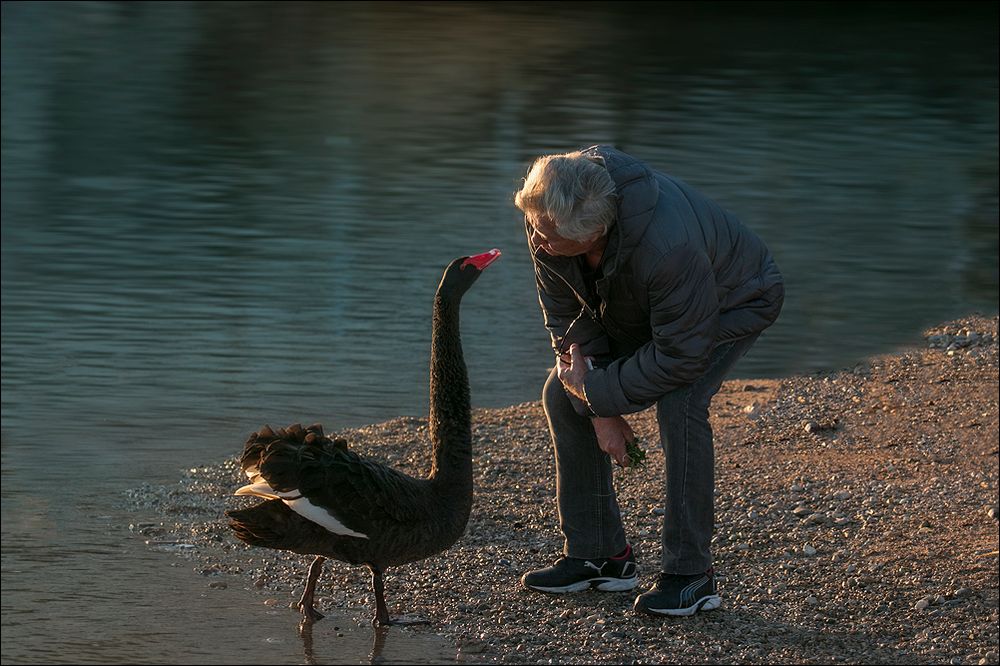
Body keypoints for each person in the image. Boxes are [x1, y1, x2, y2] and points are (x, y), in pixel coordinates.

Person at [514, 145, 784, 617]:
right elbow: (567, 316)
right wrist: (596, 402)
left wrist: (597, 395)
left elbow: (680, 356)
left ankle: (691, 576)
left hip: (733, 300)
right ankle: (600, 556)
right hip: (648, 304)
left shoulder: (668, 248)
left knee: (681, 401)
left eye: (550, 235)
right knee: (561, 393)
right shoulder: (549, 208)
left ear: (595, 232)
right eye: (535, 227)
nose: (538, 241)